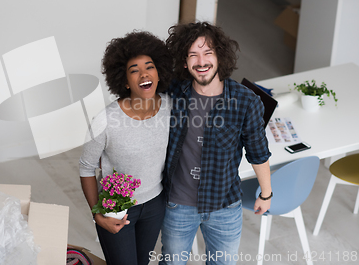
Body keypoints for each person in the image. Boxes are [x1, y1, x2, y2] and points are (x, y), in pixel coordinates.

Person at [159, 22, 272, 265]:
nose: (201, 61)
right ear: (184, 61)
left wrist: (266, 194)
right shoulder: (174, 92)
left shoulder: (246, 101)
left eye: (208, 53)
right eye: (193, 55)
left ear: (220, 56)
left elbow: (258, 153)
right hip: (177, 204)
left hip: (225, 206)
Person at [79, 31, 173, 265]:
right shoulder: (106, 120)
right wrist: (97, 215)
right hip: (118, 208)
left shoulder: (170, 107)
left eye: (149, 67)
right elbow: (86, 167)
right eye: (134, 70)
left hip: (155, 204)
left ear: (159, 73)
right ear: (124, 80)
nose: (144, 74)